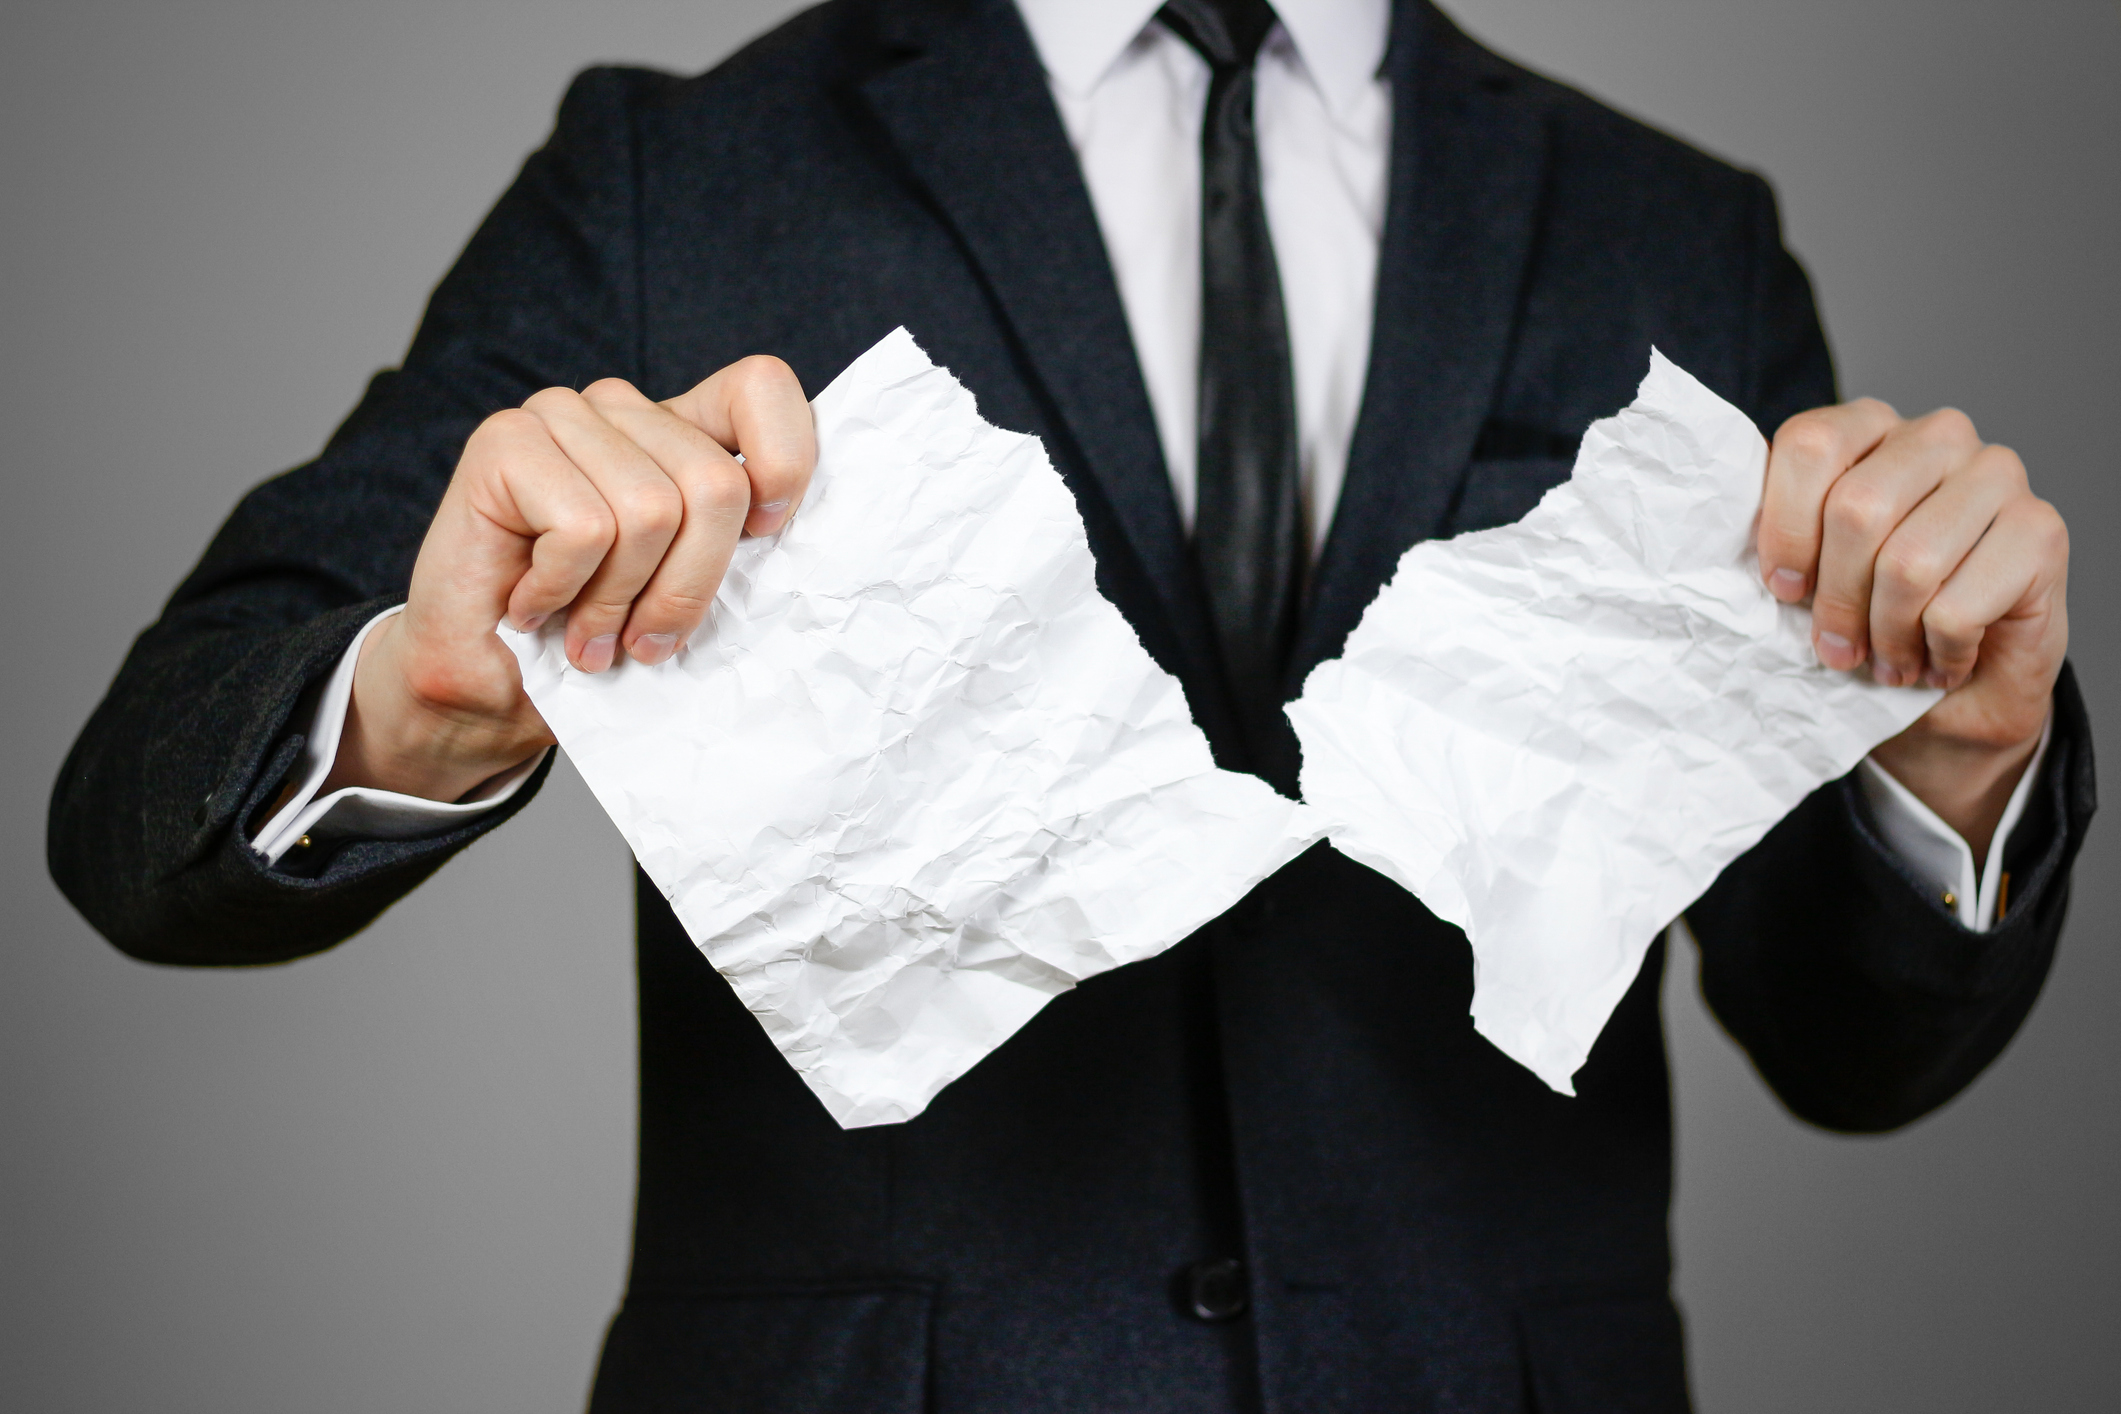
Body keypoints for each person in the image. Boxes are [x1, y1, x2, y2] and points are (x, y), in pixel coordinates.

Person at [48, 0, 2092, 1408]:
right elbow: (138, 816)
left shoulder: (1674, 231)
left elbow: (1844, 1050)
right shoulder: (679, 174)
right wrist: (417, 698)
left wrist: (1951, 774)